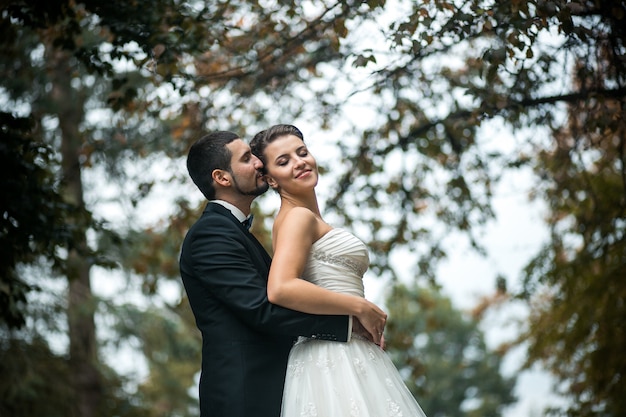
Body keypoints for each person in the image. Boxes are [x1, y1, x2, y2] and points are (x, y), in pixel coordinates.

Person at [179, 131, 387, 417]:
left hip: (277, 385)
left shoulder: (235, 232)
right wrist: (350, 322)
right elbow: (261, 309)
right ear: (222, 178)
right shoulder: (211, 234)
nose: (258, 164)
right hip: (244, 394)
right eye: (246, 159)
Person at [250, 124, 428, 417]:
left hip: (350, 348)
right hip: (334, 356)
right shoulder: (297, 218)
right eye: (284, 162)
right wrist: (360, 307)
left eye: (302, 152)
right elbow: (281, 287)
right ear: (270, 179)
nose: (299, 162)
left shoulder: (301, 217)